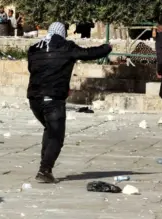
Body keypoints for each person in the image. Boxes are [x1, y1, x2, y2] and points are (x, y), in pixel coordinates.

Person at [27, 22, 111, 184]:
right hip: (53, 99)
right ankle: (45, 170)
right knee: (56, 136)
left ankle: (44, 167)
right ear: (62, 33)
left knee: (50, 130)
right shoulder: (65, 47)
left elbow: (32, 69)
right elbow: (88, 53)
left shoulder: (35, 48)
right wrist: (107, 48)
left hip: (34, 99)